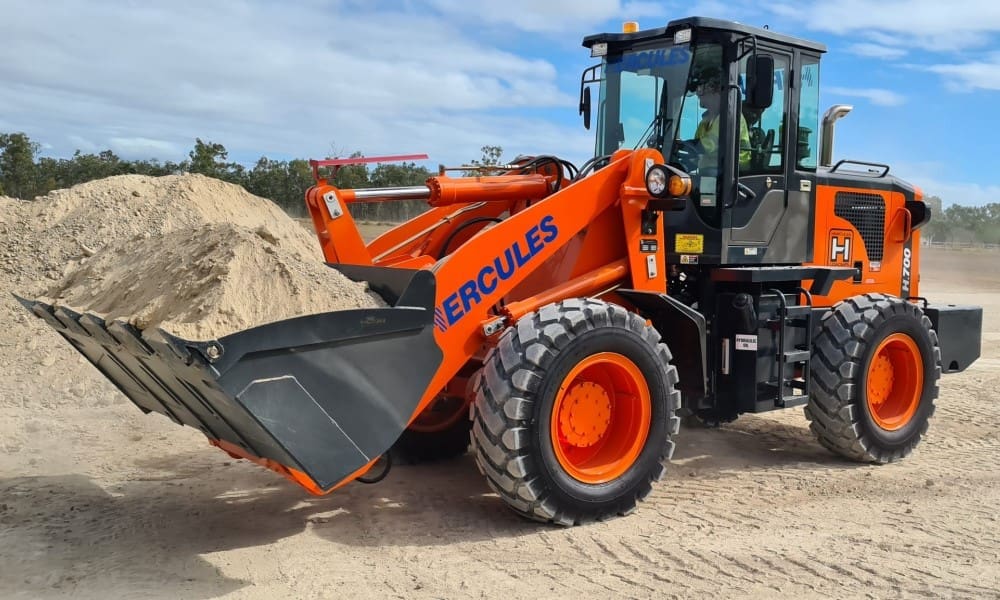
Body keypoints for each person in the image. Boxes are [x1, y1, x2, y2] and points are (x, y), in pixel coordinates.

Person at [691, 76, 752, 171]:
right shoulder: (705, 121)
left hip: (733, 171)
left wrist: (683, 147)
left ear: (716, 91)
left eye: (702, 89)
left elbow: (708, 145)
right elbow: (695, 149)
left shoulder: (729, 116)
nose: (698, 94)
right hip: (711, 170)